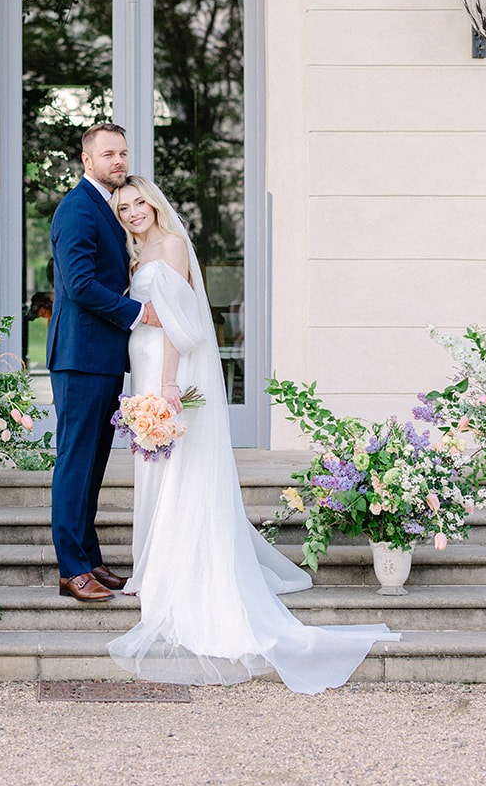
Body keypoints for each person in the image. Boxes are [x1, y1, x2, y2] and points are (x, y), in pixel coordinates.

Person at [108, 175, 393, 693]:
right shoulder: (138, 251)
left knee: (179, 471)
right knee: (157, 469)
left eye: (137, 204)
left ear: (153, 203)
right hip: (145, 365)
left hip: (167, 370)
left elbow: (177, 321)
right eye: (122, 207)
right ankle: (151, 570)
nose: (131, 213)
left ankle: (170, 573)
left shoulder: (170, 245)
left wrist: (168, 383)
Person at [47, 124, 162, 603]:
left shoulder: (108, 206)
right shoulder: (77, 208)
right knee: (75, 463)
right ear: (86, 160)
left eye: (123, 153)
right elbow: (79, 285)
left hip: (102, 357)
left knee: (93, 465)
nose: (119, 161)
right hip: (80, 358)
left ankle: (89, 557)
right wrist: (137, 312)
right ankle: (71, 569)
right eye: (108, 154)